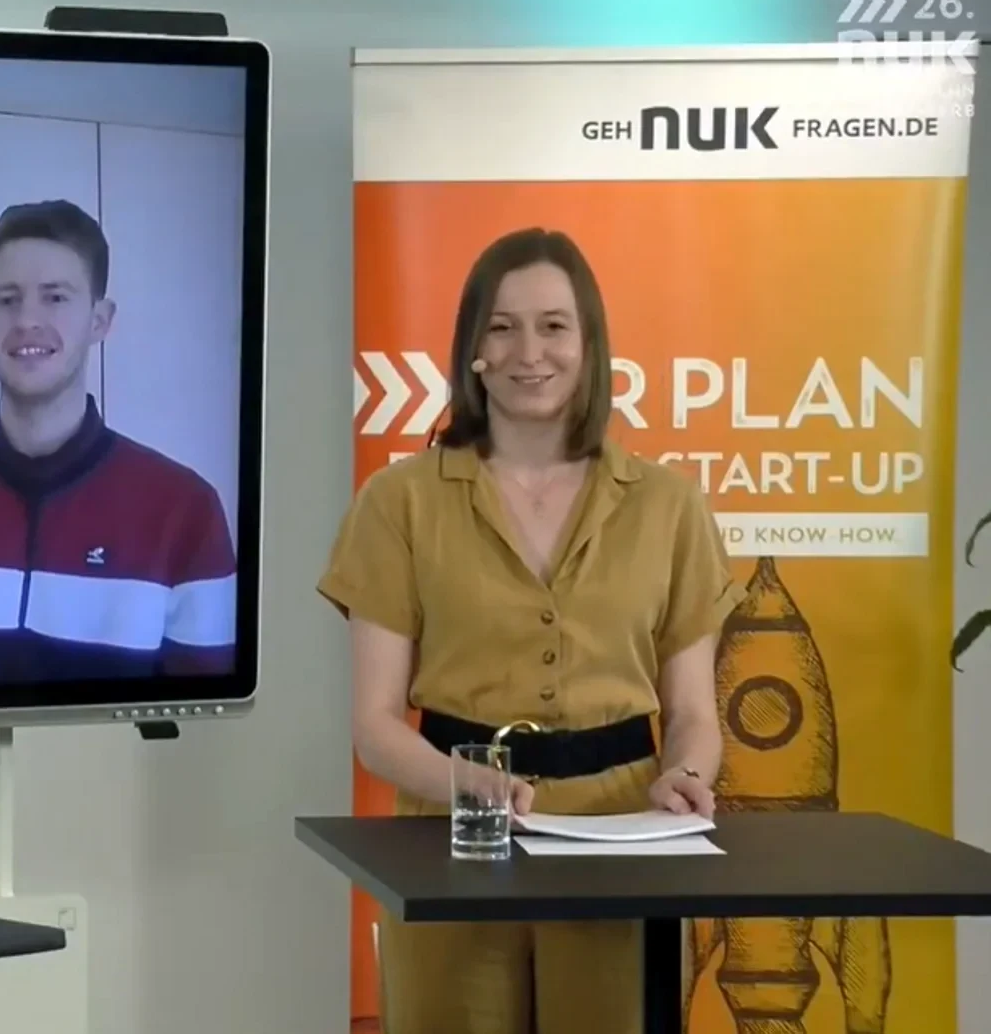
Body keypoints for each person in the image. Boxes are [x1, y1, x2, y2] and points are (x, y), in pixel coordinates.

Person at [317, 227, 741, 1034]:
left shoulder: (669, 505)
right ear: (472, 348)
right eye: (501, 326)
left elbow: (691, 712)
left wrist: (684, 775)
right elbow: (374, 727)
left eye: (553, 325)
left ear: (590, 346)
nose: (527, 351)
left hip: (624, 838)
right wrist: (470, 786)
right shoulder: (399, 501)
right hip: (452, 839)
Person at [0, 199, 236, 687]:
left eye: (55, 297)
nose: (27, 320)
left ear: (100, 320)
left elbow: (206, 733)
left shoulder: (186, 511)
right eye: (8, 299)